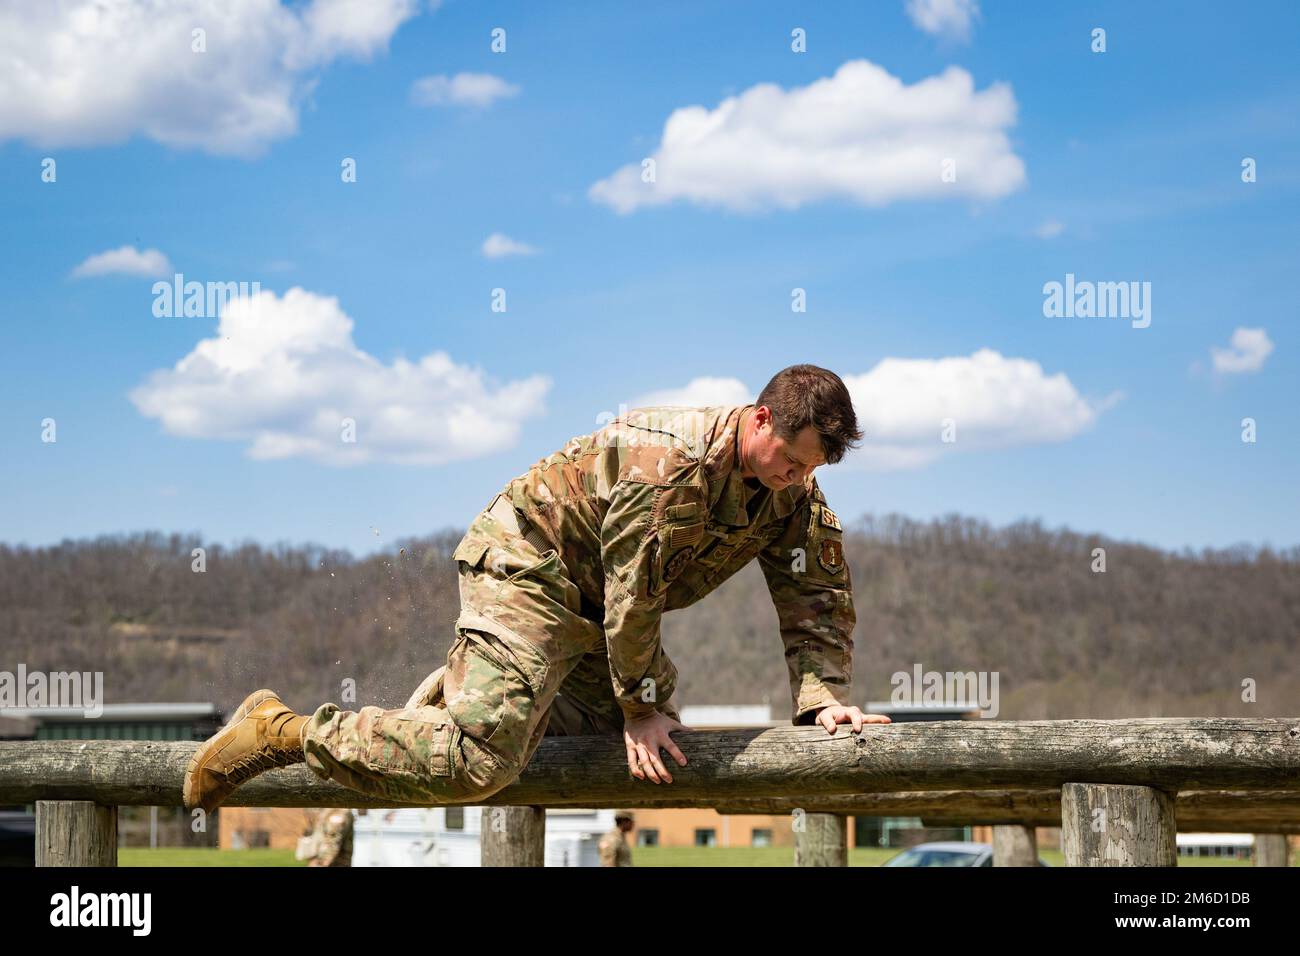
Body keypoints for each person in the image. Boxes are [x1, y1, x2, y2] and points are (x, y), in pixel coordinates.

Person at [183, 364, 892, 814]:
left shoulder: (792, 493)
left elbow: (818, 594)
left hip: (595, 611)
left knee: (629, 749)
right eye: (790, 461)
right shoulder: (669, 465)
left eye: (810, 471)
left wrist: (823, 699)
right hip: (528, 565)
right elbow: (634, 597)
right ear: (761, 418)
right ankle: (283, 731)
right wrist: (640, 702)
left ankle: (475, 695)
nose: (794, 478)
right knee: (482, 764)